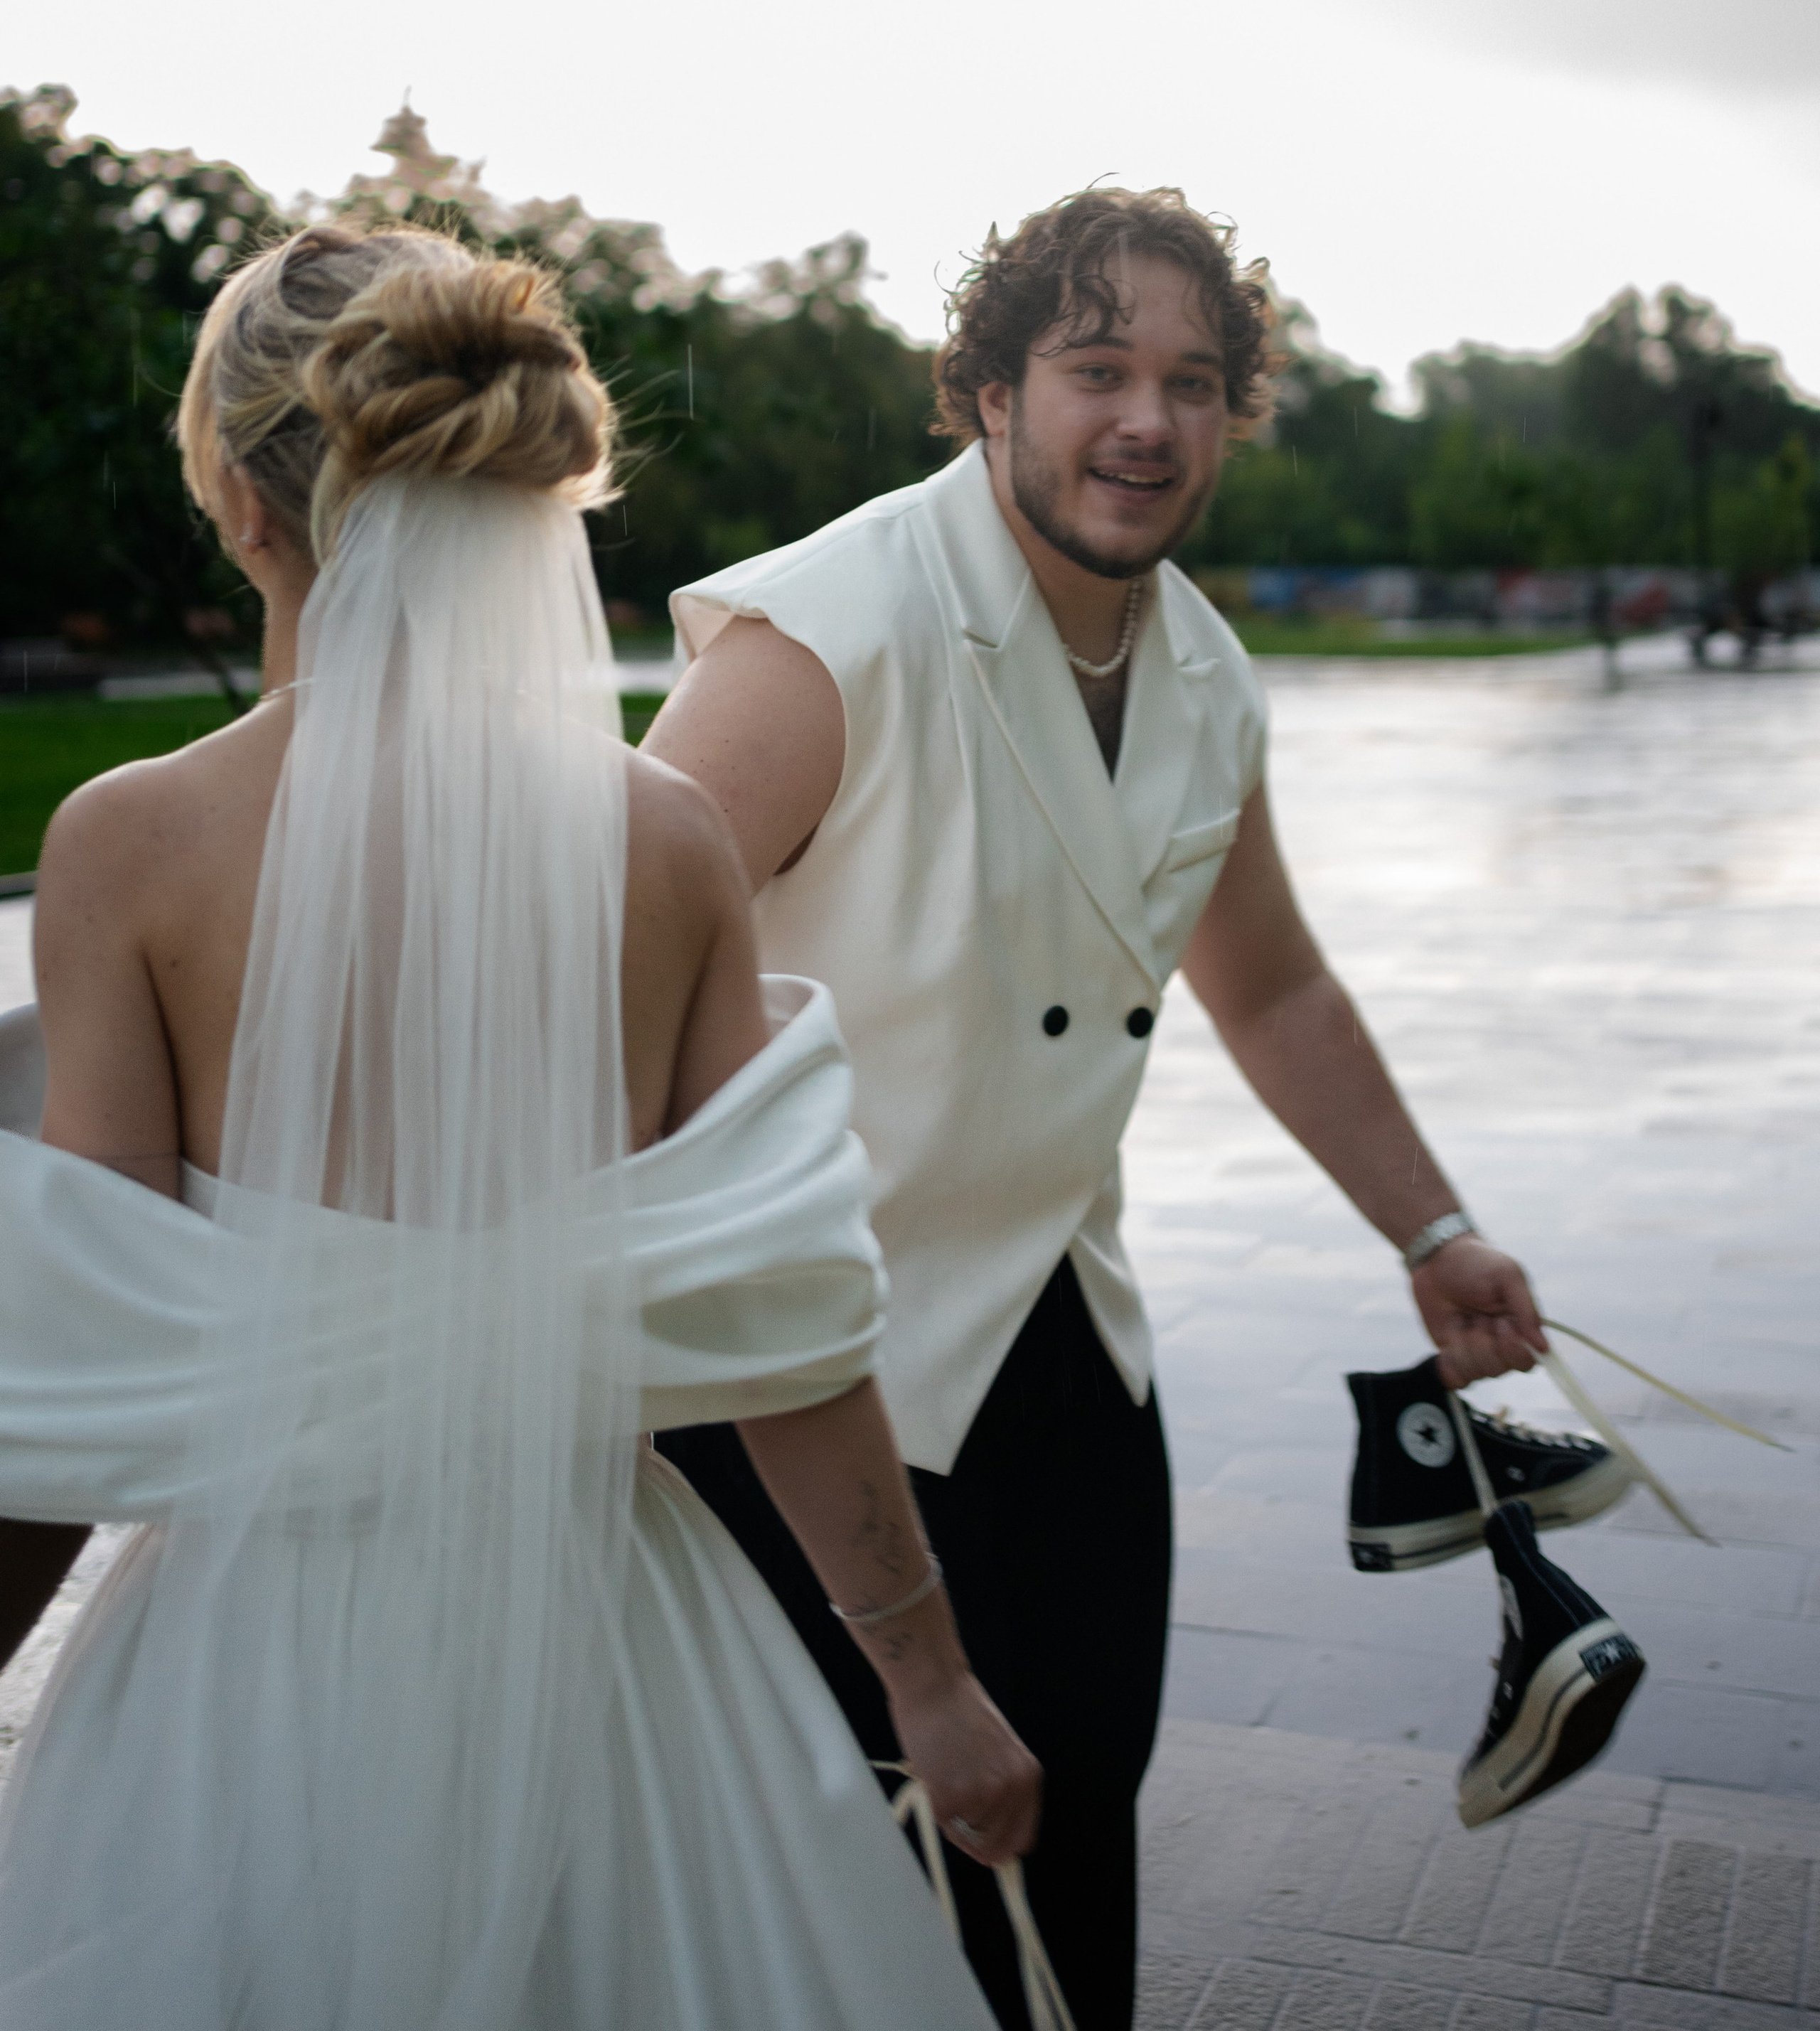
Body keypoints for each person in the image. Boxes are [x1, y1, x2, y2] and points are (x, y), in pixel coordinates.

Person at [0, 223, 1041, 2030]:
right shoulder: (662, 848)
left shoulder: (126, 850)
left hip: (255, 1661)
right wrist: (928, 1686)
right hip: (607, 1639)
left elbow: (72, 1361)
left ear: (244, 508)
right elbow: (786, 1327)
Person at [646, 185, 1546, 2031]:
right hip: (798, 1375)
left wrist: (1433, 1228)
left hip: (1064, 1350)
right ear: (988, 392)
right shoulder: (824, 634)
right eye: (1095, 367)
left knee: (1073, 1844)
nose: (1149, 418)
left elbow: (1272, 979)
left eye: (1195, 380)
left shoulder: (1205, 670)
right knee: (842, 1894)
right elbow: (589, 979)